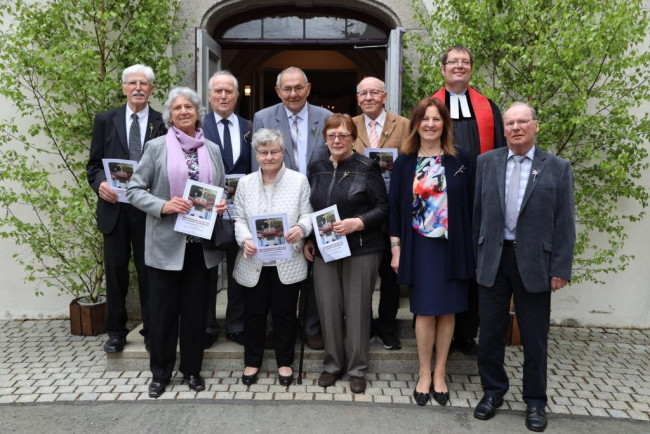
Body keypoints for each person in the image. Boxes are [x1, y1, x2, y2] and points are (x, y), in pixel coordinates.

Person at [473, 102, 575, 432]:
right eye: (510, 123)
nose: (516, 127)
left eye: (523, 122)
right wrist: (477, 256)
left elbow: (564, 222)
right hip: (494, 258)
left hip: (535, 263)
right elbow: (478, 214)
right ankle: (493, 391)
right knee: (489, 332)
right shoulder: (486, 163)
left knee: (534, 337)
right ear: (503, 130)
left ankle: (534, 401)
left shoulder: (557, 168)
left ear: (535, 126)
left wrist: (560, 267)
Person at [126, 87, 227, 398]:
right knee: (163, 315)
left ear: (197, 112)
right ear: (170, 114)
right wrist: (163, 205)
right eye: (177, 108)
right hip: (165, 247)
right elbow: (133, 190)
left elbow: (220, 187)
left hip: (201, 248)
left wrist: (220, 204)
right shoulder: (156, 147)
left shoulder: (211, 148)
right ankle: (160, 373)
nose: (184, 111)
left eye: (189, 107)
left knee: (196, 316)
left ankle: (192, 371)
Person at [388, 97, 474, 406]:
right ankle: (424, 373)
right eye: (425, 119)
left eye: (436, 119)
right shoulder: (405, 161)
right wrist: (396, 249)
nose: (430, 124)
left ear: (445, 124)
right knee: (424, 311)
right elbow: (395, 209)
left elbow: (471, 206)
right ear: (416, 124)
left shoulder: (460, 159)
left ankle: (440, 373)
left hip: (452, 246)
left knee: (447, 310)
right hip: (419, 246)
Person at [304, 113, 388, 394]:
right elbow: (310, 208)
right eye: (331, 135)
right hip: (325, 249)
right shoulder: (315, 167)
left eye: (343, 135)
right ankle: (332, 365)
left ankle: (357, 369)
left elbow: (382, 208)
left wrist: (358, 222)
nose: (337, 140)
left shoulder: (367, 167)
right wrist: (309, 237)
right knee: (328, 308)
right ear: (325, 139)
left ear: (353, 138)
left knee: (357, 309)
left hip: (361, 249)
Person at [86, 64, 167, 353]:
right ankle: (116, 332)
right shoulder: (106, 120)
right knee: (116, 270)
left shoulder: (162, 122)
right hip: (115, 208)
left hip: (147, 210)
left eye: (144, 83)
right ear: (123, 88)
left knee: (150, 272)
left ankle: (151, 329)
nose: (138, 88)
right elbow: (94, 165)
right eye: (132, 83)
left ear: (151, 89)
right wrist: (100, 185)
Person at [432, 45, 506, 355]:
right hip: (442, 199)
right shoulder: (431, 107)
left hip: (479, 196)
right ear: (443, 69)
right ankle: (437, 326)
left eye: (465, 62)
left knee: (474, 262)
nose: (459, 66)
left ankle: (465, 332)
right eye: (453, 62)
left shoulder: (488, 107)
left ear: (471, 69)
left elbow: (501, 152)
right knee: (444, 261)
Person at [252, 66, 331, 350]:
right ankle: (276, 327)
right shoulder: (263, 117)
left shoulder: (326, 118)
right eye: (287, 88)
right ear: (278, 91)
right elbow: (258, 165)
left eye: (299, 87)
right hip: (277, 203)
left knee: (313, 267)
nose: (293, 93)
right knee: (276, 265)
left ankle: (311, 327)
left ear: (308, 88)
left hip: (316, 203)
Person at [232, 128, 312, 387]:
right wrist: (244, 239)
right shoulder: (244, 183)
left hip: (286, 260)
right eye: (264, 152)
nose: (269, 157)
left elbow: (307, 215)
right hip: (253, 261)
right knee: (253, 314)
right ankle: (252, 361)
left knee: (285, 314)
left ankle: (284, 362)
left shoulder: (299, 181)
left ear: (283, 152)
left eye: (274, 151)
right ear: (256, 154)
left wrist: (301, 229)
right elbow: (239, 218)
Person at [352, 76, 410, 351]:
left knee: (391, 275)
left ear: (384, 96)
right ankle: (361, 327)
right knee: (361, 277)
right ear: (357, 99)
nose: (368, 98)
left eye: (374, 92)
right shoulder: (348, 126)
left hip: (394, 212)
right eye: (363, 93)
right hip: (361, 214)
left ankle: (387, 326)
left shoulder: (405, 125)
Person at [202, 70, 252, 348]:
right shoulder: (197, 126)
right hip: (207, 212)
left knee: (239, 271)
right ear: (209, 96)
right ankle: (208, 326)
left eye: (228, 91)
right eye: (218, 91)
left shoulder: (249, 126)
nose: (223, 96)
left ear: (236, 96)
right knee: (207, 272)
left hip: (240, 213)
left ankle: (236, 324)